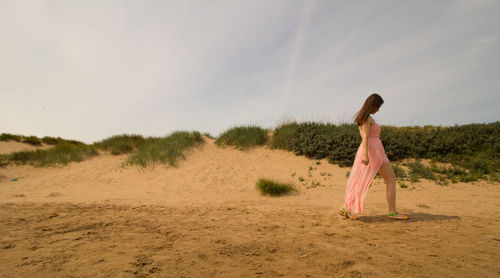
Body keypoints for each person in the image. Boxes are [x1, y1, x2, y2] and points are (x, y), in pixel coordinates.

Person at [338, 93, 408, 220]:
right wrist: (365, 155)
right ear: (372, 105)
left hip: (378, 152)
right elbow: (365, 137)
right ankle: (346, 207)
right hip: (371, 152)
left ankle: (346, 208)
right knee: (366, 182)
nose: (378, 109)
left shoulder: (368, 117)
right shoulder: (366, 118)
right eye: (378, 106)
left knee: (385, 179)